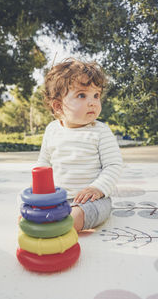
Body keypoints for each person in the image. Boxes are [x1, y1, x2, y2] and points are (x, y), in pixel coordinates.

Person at [36, 58, 123, 232]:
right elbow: (43, 164)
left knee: (80, 215)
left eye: (96, 95)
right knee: (25, 202)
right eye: (82, 95)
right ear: (58, 106)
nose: (92, 102)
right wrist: (40, 194)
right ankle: (42, 220)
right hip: (57, 198)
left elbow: (113, 165)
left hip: (91, 201)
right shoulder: (52, 130)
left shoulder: (100, 131)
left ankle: (60, 226)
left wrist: (98, 188)